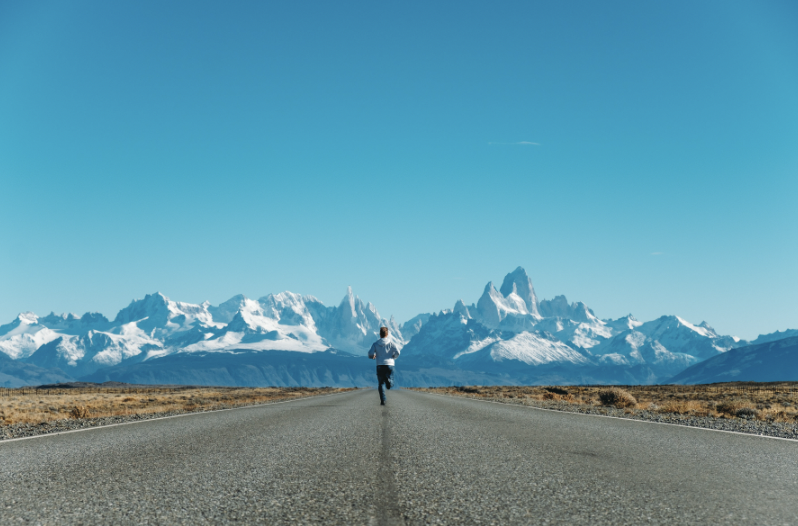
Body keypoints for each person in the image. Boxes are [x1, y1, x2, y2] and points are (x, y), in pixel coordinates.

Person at [367, 326, 400, 405]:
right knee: (390, 383)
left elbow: (370, 353)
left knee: (381, 383)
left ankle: (383, 400)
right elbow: (398, 352)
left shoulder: (375, 344)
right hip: (390, 364)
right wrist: (393, 357)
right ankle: (389, 381)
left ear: (380, 334)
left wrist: (373, 356)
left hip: (380, 365)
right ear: (387, 334)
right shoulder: (391, 343)